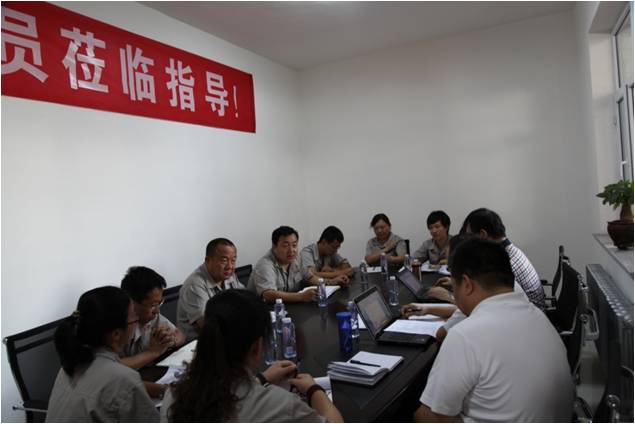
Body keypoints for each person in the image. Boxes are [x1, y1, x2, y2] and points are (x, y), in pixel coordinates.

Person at [413, 238, 573, 422]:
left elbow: (433, 418)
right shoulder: (539, 317)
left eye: (454, 286)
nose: (454, 294)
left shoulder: (465, 336)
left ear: (467, 284)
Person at [161, 289, 344, 422]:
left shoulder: (173, 395)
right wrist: (313, 390)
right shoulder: (279, 406)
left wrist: (261, 379)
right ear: (257, 347)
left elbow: (226, 392)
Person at [46, 286, 159, 422]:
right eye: (134, 318)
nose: (137, 320)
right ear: (116, 334)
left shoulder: (69, 366)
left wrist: (164, 390)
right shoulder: (124, 378)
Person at [120, 266, 186, 398]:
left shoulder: (151, 316)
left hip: (147, 377)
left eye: (159, 303)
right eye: (152, 305)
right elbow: (113, 368)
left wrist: (171, 340)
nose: (157, 311)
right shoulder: (117, 325)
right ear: (132, 302)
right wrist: (153, 352)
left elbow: (181, 335)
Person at [461, 207, 546, 309]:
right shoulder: (509, 251)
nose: (469, 242)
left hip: (527, 314)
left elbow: (485, 305)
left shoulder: (504, 263)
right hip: (531, 311)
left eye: (470, 236)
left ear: (483, 235)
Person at [248, 226, 348, 303]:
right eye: (285, 246)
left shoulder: (295, 260)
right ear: (274, 246)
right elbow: (268, 295)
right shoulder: (265, 265)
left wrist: (333, 282)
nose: (291, 250)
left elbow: (309, 277)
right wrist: (301, 296)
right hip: (265, 314)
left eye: (294, 245)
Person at [177, 238, 245, 341]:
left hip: (226, 333)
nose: (230, 266)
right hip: (198, 342)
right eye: (224, 260)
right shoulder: (194, 285)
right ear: (208, 260)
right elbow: (208, 326)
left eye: (233, 260)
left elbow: (245, 301)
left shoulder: (228, 274)